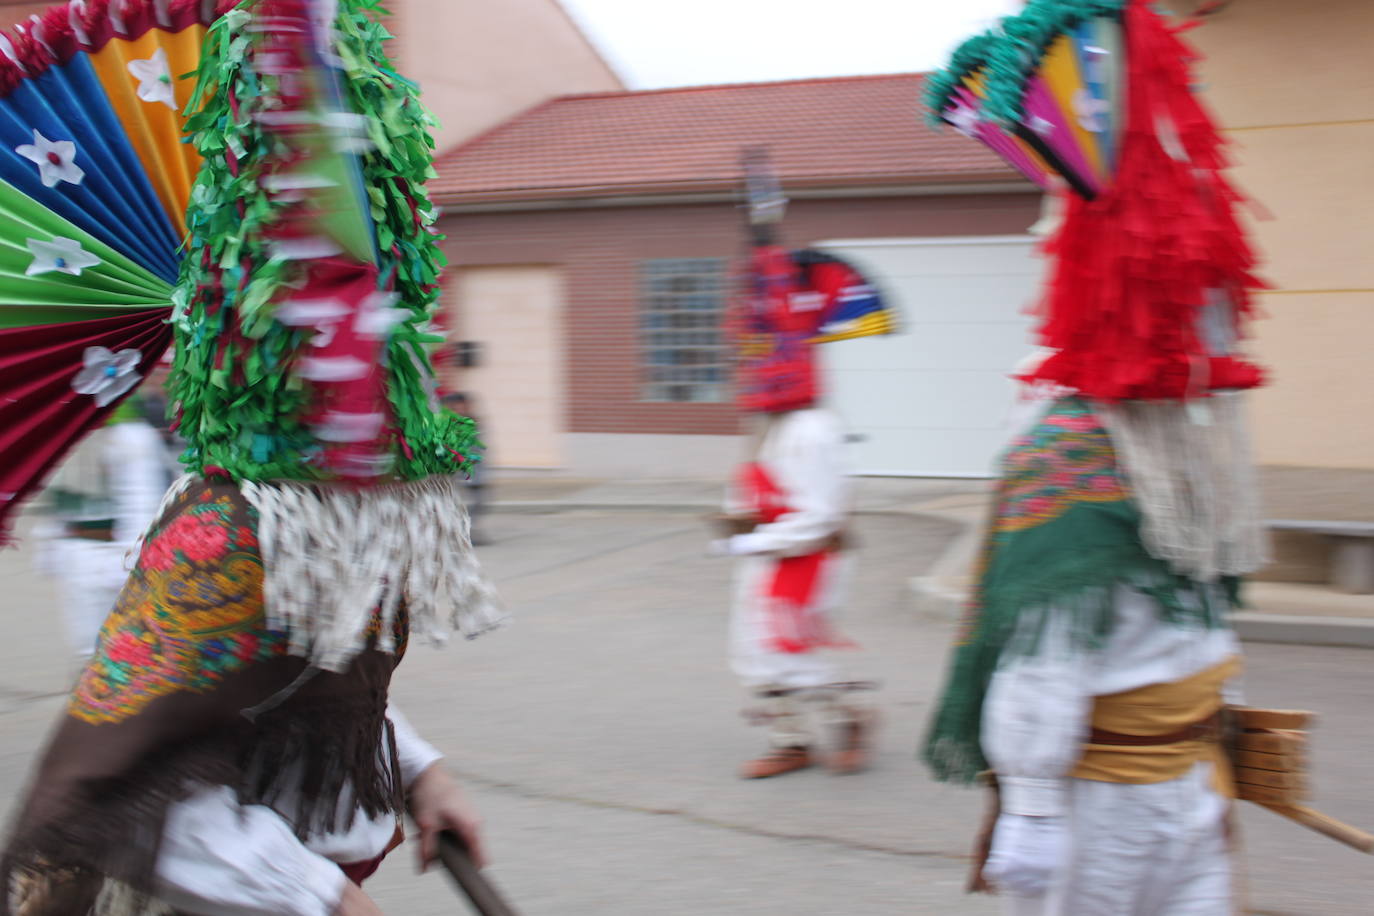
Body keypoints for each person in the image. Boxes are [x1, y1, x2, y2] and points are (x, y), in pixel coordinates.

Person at [2, 3, 503, 914]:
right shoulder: (224, 535)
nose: (371, 332)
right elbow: (110, 791)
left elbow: (317, 683)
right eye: (334, 296)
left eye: (392, 296)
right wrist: (314, 895)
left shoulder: (354, 503)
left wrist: (422, 774)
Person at [921, 2, 1270, 912]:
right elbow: (1042, 656)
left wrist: (1216, 746)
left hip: (1188, 780)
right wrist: (1032, 808)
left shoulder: (1195, 439)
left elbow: (1201, 616)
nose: (1212, 318)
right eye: (1190, 293)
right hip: (1101, 806)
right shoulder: (1071, 445)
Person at [710, 152, 896, 779]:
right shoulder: (772, 424)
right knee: (755, 649)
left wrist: (748, 543)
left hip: (806, 557)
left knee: (794, 647)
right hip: (773, 552)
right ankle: (790, 740)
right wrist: (739, 522)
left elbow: (816, 517)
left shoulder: (813, 428)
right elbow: (762, 490)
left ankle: (850, 714)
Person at [34, 397, 170, 661]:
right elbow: (56, 500)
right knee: (86, 650)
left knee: (119, 652)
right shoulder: (67, 432)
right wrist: (48, 544)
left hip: (109, 556)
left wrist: (127, 561)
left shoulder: (130, 436)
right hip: (73, 556)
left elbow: (141, 500)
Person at [443, 392, 490, 546]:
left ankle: (469, 530)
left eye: (463, 406)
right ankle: (458, 533)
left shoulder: (474, 423)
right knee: (454, 504)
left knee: (479, 503)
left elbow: (479, 449)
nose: (460, 409)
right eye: (456, 407)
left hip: (474, 471)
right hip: (453, 474)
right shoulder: (445, 424)